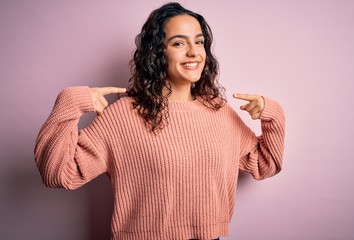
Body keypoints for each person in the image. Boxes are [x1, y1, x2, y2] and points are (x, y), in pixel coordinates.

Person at [34, 2, 285, 240]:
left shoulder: (219, 111)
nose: (193, 52)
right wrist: (71, 102)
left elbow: (266, 164)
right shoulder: (123, 115)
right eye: (178, 43)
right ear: (157, 52)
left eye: (199, 42)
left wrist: (272, 116)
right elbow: (58, 174)